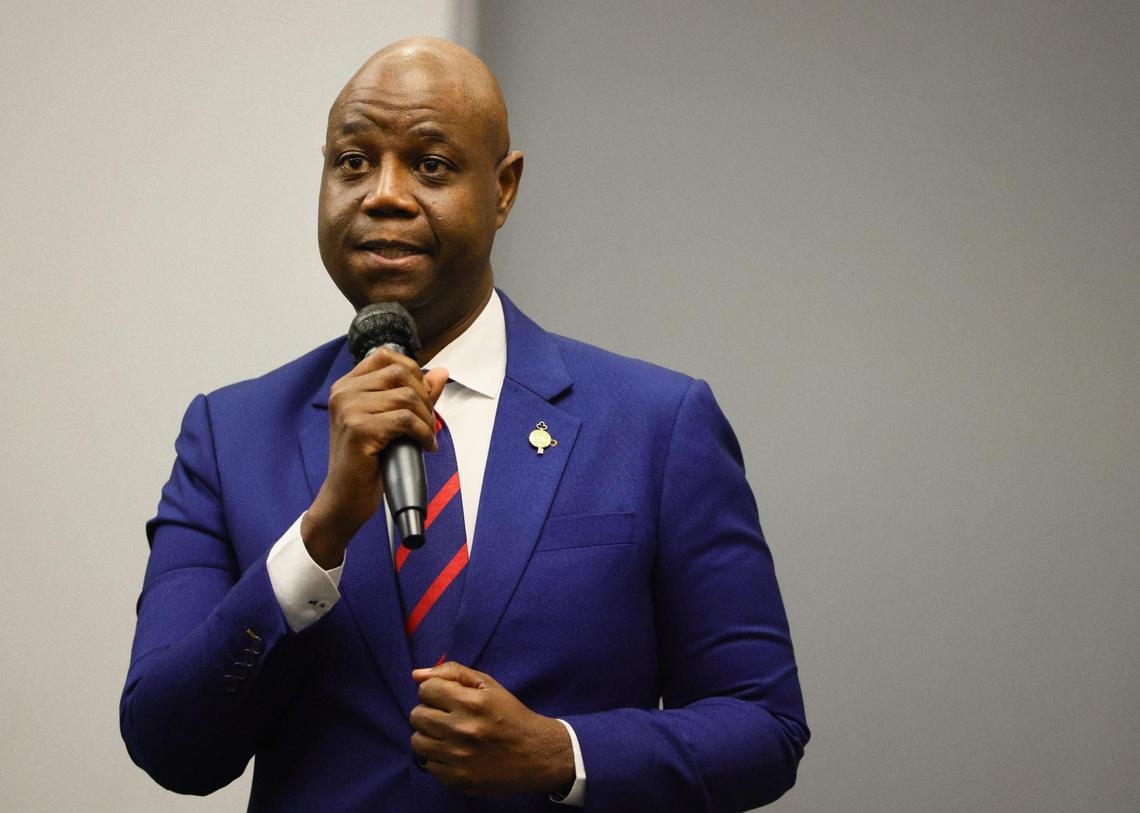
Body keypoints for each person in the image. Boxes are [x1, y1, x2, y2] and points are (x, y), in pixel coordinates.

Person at [121, 37, 808, 812]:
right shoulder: (229, 435)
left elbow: (764, 724)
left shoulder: (656, 424)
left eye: (431, 165)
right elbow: (167, 741)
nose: (383, 193)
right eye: (352, 162)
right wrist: (317, 538)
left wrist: (563, 752)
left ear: (504, 188)